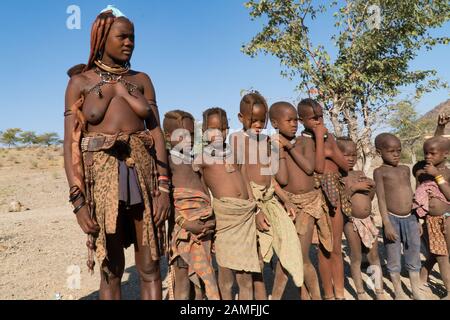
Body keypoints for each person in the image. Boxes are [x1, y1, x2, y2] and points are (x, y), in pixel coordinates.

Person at [63, 6, 170, 300]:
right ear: (101, 38)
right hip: (102, 182)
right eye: (122, 37)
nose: (129, 43)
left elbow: (157, 132)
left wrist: (164, 186)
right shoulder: (79, 83)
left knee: (150, 266)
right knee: (111, 269)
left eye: (132, 37)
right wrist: (78, 200)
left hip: (143, 177)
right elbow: (71, 144)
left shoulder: (142, 80)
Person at [233, 94, 303, 300]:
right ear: (240, 117)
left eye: (261, 120)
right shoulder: (238, 140)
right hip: (250, 202)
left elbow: (270, 177)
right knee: (256, 260)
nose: (257, 124)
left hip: (270, 200)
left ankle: (276, 296)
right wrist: (254, 209)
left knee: (289, 247)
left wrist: (285, 199)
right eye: (252, 120)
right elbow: (241, 175)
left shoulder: (265, 141)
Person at [194, 107, 260, 300]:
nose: (218, 133)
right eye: (213, 129)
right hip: (224, 219)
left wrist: (254, 208)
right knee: (226, 275)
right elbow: (203, 191)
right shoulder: (201, 159)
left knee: (246, 275)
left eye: (223, 128)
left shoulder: (234, 153)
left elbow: (245, 178)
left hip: (245, 215)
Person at [268, 101, 327, 300]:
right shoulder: (271, 147)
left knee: (301, 258)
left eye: (295, 120)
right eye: (289, 120)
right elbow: (282, 179)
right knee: (286, 257)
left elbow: (310, 169)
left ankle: (315, 297)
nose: (294, 124)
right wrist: (281, 150)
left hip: (308, 205)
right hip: (287, 205)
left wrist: (289, 148)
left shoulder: (304, 142)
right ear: (275, 123)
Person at [163, 110, 220, 300]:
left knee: (203, 279)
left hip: (203, 227)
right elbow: (166, 201)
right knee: (183, 281)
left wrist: (210, 221)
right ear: (167, 136)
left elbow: (205, 194)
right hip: (183, 230)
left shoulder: (196, 161)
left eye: (192, 135)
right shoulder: (167, 162)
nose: (188, 139)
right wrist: (185, 223)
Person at [297, 99, 350, 300]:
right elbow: (318, 168)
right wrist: (321, 141)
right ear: (301, 120)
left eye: (321, 116)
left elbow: (345, 165)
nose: (319, 121)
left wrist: (329, 149)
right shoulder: (302, 141)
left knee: (336, 247)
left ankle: (340, 294)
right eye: (313, 118)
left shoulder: (330, 139)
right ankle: (328, 294)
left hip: (334, 195)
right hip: (316, 198)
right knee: (324, 248)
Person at [373, 133, 422, 300]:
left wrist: (417, 219)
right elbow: (381, 198)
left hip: (411, 218)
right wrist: (386, 223)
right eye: (391, 151)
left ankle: (415, 290)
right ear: (379, 152)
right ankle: (398, 291)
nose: (396, 154)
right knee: (393, 254)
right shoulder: (379, 172)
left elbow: (411, 193)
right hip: (392, 218)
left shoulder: (405, 169)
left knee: (414, 250)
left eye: (398, 151)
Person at [337, 137, 385, 300]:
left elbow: (368, 198)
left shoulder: (359, 173)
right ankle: (360, 292)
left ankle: (379, 291)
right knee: (356, 257)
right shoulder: (337, 176)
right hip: (351, 223)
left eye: (354, 155)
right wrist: (355, 187)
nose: (350, 159)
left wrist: (371, 186)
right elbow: (339, 200)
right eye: (346, 155)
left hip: (368, 220)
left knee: (373, 256)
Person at [413, 135, 450, 300]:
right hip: (431, 222)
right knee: (441, 256)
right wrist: (418, 220)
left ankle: (423, 275)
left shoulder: (446, 173)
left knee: (442, 254)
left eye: (432, 154)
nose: (428, 156)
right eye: (425, 153)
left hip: (448, 219)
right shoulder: (423, 172)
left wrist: (438, 176)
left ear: (446, 154)